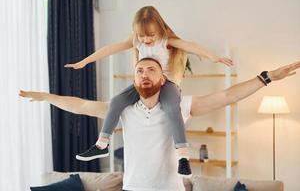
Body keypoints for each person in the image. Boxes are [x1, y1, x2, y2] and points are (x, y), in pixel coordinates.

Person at [20, 58, 300, 190]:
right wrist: (46, 97)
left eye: (151, 69)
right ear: (133, 80)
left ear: (163, 80)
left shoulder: (181, 105)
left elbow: (227, 95)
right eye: (139, 70)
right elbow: (80, 105)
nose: (144, 74)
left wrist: (267, 77)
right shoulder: (124, 109)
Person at [64, 6, 233, 176]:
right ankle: (102, 144)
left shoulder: (165, 40)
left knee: (173, 109)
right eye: (142, 35)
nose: (146, 40)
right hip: (145, 83)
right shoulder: (136, 40)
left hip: (166, 83)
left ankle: (183, 158)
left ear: (160, 29)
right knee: (116, 102)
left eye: (151, 35)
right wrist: (85, 61)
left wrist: (213, 57)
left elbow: (189, 45)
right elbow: (110, 48)